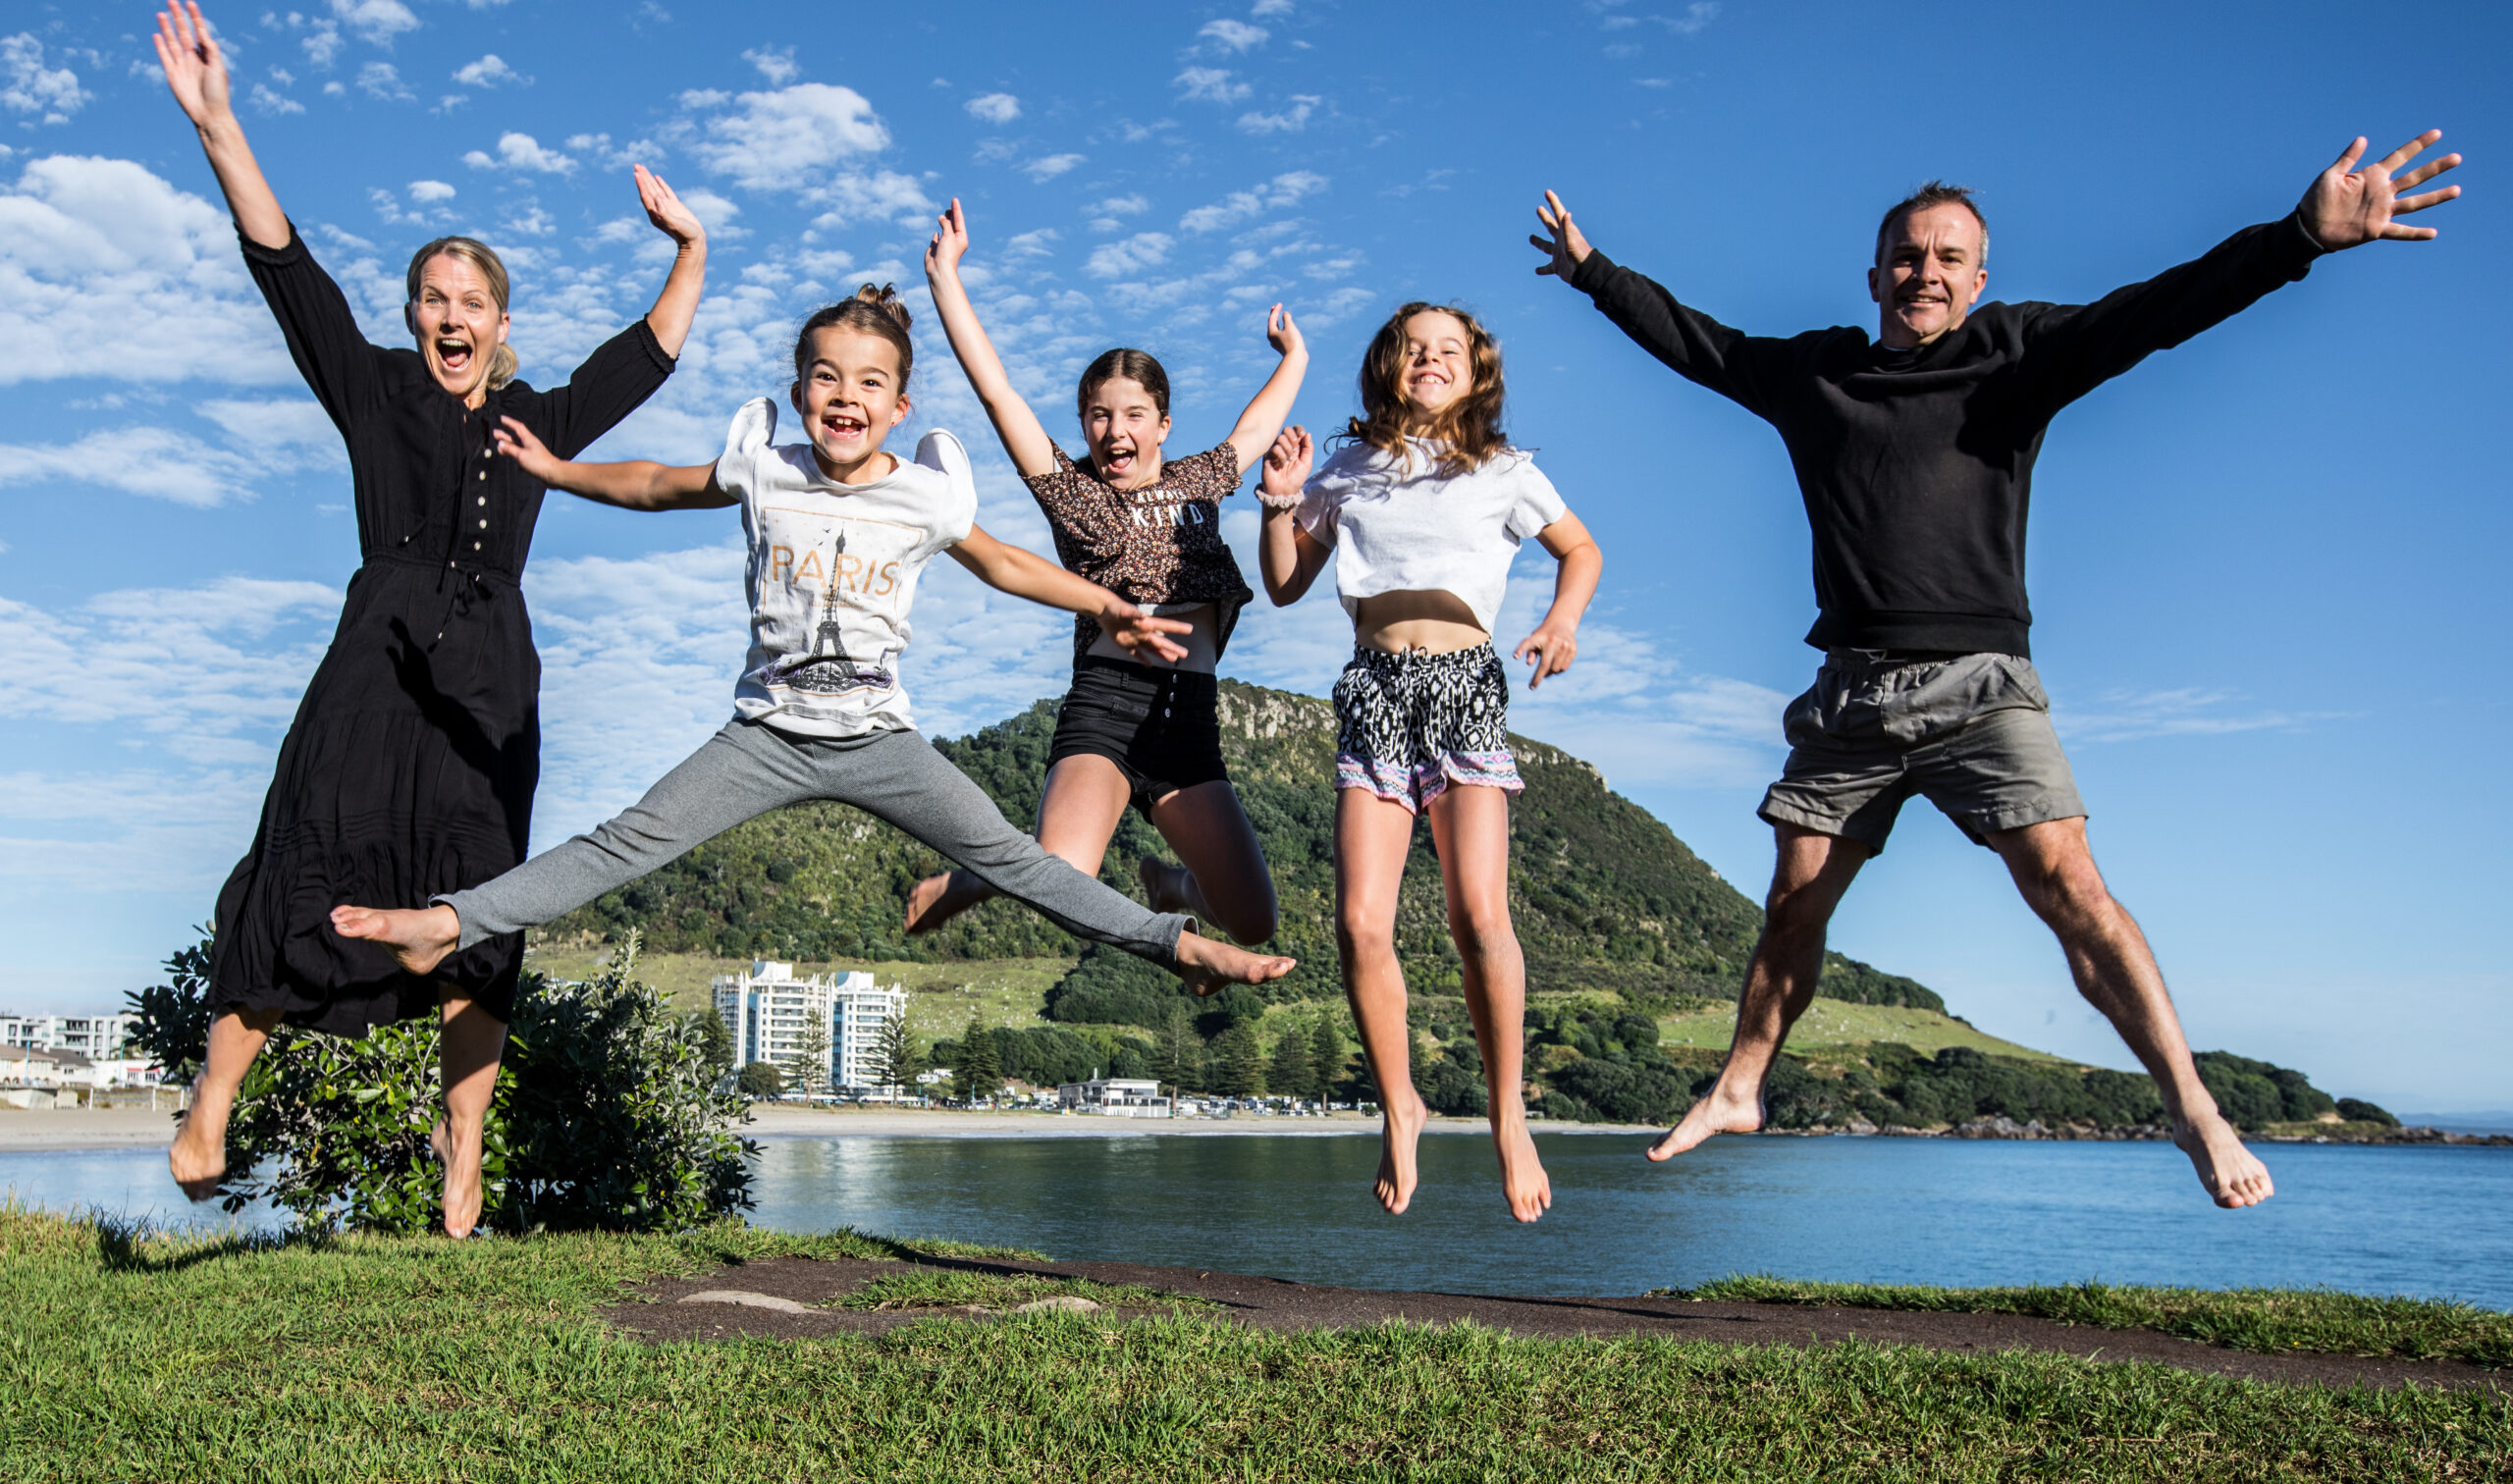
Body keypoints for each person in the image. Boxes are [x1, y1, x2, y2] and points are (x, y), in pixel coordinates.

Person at [1529, 130, 2466, 1209]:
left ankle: (2191, 1104)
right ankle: (1741, 1083)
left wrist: (2298, 237)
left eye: (1946, 259)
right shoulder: (1814, 373)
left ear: (1978, 280)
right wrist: (1596, 275)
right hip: (1849, 690)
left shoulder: (2016, 353)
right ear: (1874, 272)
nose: (1923, 273)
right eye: (1906, 256)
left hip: (1981, 682)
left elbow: (2159, 310)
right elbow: (1700, 345)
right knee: (1794, 900)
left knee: (2070, 888)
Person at [335, 288, 1299, 1052]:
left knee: (1015, 859)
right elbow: (657, 487)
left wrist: (1104, 606)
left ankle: (1179, 945)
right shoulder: (763, 464)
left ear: (898, 404)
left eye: (870, 382)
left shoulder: (927, 492)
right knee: (627, 840)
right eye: (826, 379)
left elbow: (1005, 564)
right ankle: (449, 924)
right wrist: (555, 471)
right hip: (765, 735)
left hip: (881, 738)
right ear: (801, 394)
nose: (847, 396)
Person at [151, 1, 707, 1235]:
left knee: (479, 905)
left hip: (490, 689)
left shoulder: (540, 423)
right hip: (373, 664)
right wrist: (219, 125)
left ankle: (463, 1160)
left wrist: (690, 247)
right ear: (414, 318)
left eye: (471, 301)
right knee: (299, 866)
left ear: (502, 325)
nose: (451, 316)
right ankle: (211, 1103)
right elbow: (285, 268)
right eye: (430, 298)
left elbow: (652, 354)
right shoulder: (373, 392)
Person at [1256, 303, 1603, 1223]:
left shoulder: (1505, 472)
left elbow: (1582, 549)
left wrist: (1561, 619)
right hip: (1374, 688)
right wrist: (1280, 500)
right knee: (1360, 925)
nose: (1431, 359)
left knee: (1478, 915)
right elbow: (1286, 586)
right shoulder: (1347, 472)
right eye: (1416, 348)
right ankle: (1399, 1103)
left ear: (1476, 370)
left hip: (1464, 686)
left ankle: (1506, 1111)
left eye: (1450, 349)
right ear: (1389, 366)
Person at [901, 200, 1302, 946]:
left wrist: (1295, 359)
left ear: (1163, 424)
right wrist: (946, 279)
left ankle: (1173, 884)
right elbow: (999, 393)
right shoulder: (1072, 493)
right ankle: (979, 875)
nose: (1114, 431)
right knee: (1064, 885)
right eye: (1096, 415)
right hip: (1108, 706)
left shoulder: (1201, 479)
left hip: (1189, 721)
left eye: (1133, 414)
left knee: (1251, 920)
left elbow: (1254, 430)